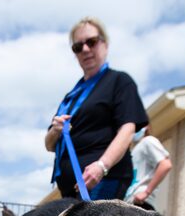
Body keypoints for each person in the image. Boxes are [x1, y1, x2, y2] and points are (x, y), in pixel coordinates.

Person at [45, 17, 148, 201]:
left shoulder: (119, 81)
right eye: (78, 47)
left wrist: (102, 166)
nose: (85, 49)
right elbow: (49, 145)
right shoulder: (71, 97)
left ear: (105, 44)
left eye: (91, 42)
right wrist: (55, 131)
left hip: (104, 179)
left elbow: (127, 129)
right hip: (70, 187)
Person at [124, 125, 172, 211]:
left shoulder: (148, 141)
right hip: (132, 201)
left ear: (146, 127)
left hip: (141, 202)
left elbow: (165, 164)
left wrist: (146, 192)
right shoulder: (135, 149)